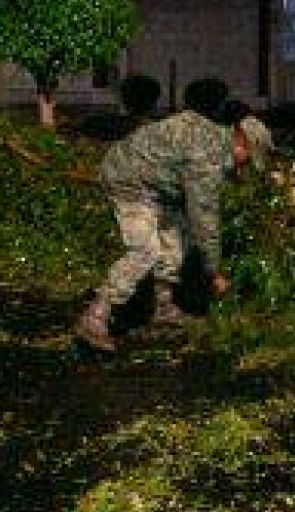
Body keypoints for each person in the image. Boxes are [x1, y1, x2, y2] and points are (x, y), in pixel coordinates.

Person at [75, 98, 273, 352]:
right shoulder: (206, 158)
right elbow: (205, 221)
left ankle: (164, 306)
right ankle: (95, 317)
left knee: (180, 236)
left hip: (158, 187)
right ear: (241, 144)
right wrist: (212, 273)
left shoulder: (212, 137)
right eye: (246, 161)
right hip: (129, 181)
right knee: (145, 250)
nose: (242, 169)